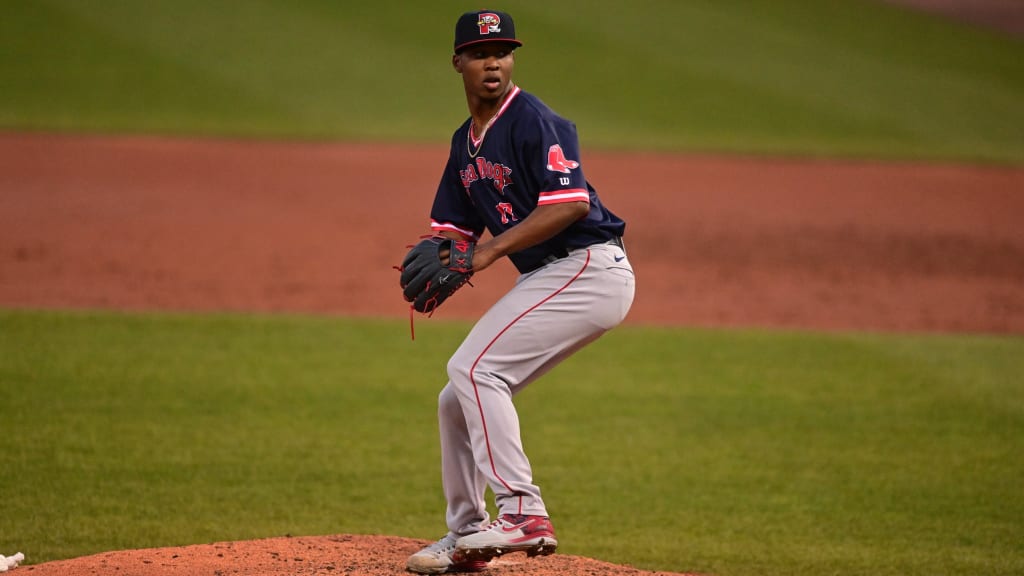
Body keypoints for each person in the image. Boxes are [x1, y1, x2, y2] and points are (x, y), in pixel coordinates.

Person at [405, 9, 636, 575]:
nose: (494, 63)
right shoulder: (466, 144)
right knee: (455, 399)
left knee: (476, 370)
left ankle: (523, 514)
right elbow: (452, 231)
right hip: (554, 276)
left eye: (504, 52)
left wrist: (483, 255)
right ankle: (468, 534)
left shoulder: (535, 120)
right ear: (458, 61)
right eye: (482, 53)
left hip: (590, 269)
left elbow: (571, 203)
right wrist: (441, 256)